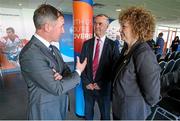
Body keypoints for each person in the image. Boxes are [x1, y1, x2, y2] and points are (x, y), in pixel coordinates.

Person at [19, 4, 87, 120]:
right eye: (61, 26)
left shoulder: (54, 49)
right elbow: (57, 88)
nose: (63, 30)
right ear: (47, 27)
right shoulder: (30, 54)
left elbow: (65, 71)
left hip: (59, 105)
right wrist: (78, 71)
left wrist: (61, 77)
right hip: (45, 112)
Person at [112, 6, 161, 120]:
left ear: (137, 29)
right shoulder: (127, 48)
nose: (120, 30)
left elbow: (152, 96)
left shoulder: (144, 54)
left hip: (132, 114)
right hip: (120, 108)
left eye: (123, 26)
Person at [80, 14, 119, 120]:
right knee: (88, 114)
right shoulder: (86, 44)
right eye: (95, 23)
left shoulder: (113, 46)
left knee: (105, 115)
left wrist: (101, 83)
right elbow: (81, 66)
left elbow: (114, 69)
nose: (97, 26)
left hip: (104, 88)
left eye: (100, 24)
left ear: (107, 26)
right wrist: (87, 82)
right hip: (88, 87)